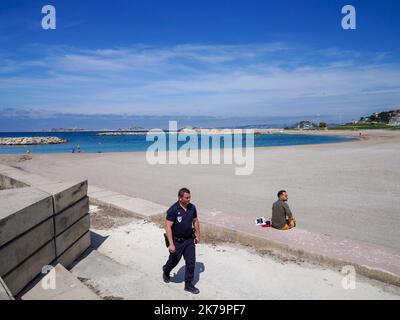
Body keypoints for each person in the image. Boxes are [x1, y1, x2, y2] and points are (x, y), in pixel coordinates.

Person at [162, 187, 201, 294]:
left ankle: (188, 284)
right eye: (186, 197)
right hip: (177, 241)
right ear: (180, 198)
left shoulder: (192, 208)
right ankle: (166, 270)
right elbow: (168, 226)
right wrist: (171, 244)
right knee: (173, 261)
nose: (189, 199)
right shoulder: (173, 210)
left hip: (189, 240)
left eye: (190, 197)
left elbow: (196, 221)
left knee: (191, 263)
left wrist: (198, 235)